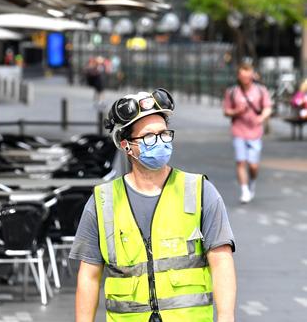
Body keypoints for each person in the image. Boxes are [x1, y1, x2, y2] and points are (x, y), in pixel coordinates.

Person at [71, 89, 236, 322]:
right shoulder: (102, 201)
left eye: (164, 134)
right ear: (126, 145)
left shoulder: (200, 191)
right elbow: (88, 275)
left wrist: (227, 317)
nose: (160, 142)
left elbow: (221, 261)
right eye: (149, 136)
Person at [223, 63, 272, 203]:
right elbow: (226, 111)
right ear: (239, 76)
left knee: (253, 165)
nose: (245, 78)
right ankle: (244, 190)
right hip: (238, 131)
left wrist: (261, 118)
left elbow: (267, 107)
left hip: (255, 132)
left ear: (252, 75)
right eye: (242, 75)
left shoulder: (261, 91)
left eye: (248, 75)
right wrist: (236, 111)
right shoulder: (232, 92)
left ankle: (252, 182)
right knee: (240, 162)